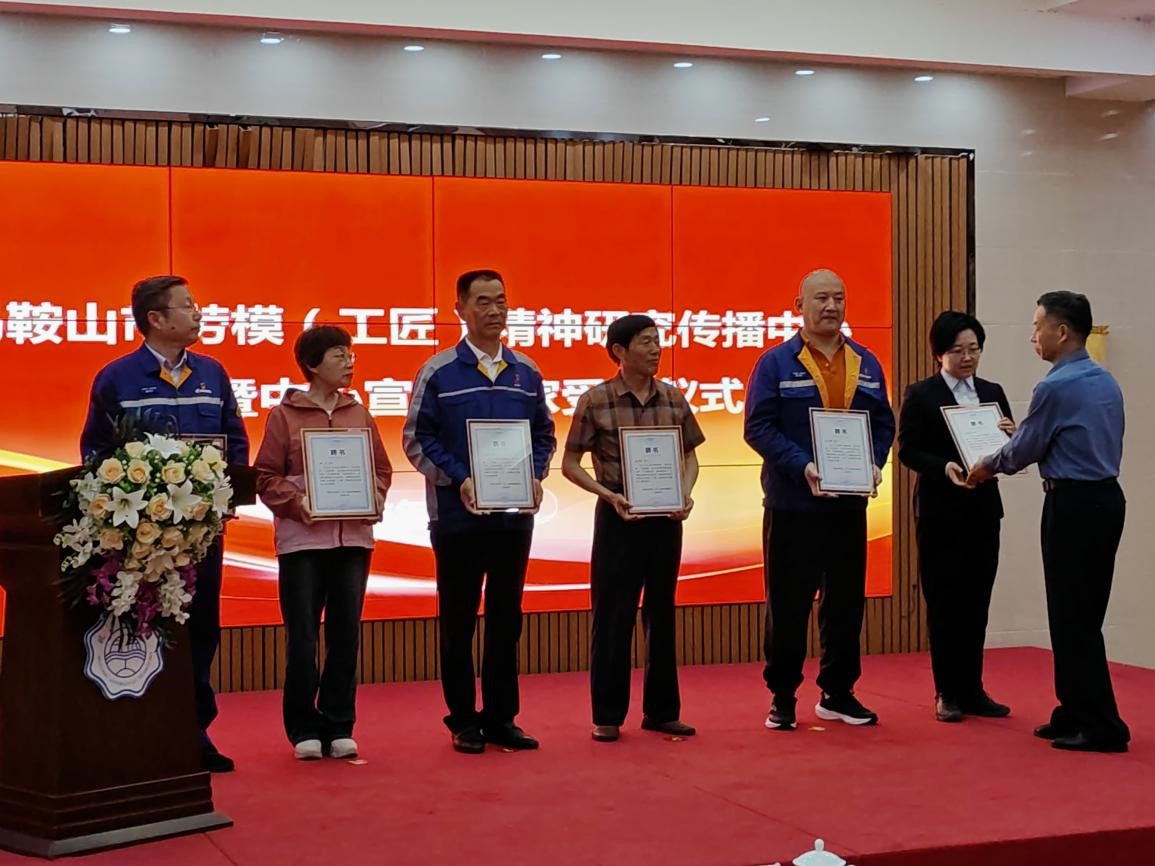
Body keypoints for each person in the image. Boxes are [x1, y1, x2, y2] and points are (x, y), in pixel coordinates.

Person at [80, 274, 250, 773]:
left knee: (202, 629)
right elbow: (96, 452)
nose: (198, 313)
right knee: (144, 628)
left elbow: (235, 441)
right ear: (155, 318)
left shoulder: (212, 373)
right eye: (188, 305)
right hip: (142, 540)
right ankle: (139, 731)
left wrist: (226, 495)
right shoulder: (117, 377)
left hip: (201, 533)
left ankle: (194, 732)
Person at [967, 291, 1129, 753]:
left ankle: (1101, 724)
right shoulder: (1104, 380)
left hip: (1073, 503)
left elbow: (1024, 451)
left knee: (1072, 614)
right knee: (1082, 612)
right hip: (1104, 500)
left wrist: (985, 467)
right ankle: (1074, 710)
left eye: (1037, 326)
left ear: (1062, 331)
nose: (1032, 336)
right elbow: (1059, 438)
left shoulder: (1054, 387)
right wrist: (1021, 438)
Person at [402, 269, 556, 755]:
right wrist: (460, 479)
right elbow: (416, 439)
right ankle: (463, 719)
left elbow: (544, 434)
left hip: (513, 515)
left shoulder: (525, 371)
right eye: (483, 302)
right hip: (457, 518)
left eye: (501, 301)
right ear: (460, 310)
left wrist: (535, 474)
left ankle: (502, 717)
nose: (495, 311)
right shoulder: (438, 371)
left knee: (507, 618)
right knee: (459, 620)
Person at [744, 268, 895, 731]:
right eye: (821, 298)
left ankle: (838, 692)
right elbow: (758, 427)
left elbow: (883, 424)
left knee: (846, 604)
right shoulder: (775, 363)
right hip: (794, 503)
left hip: (848, 504)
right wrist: (803, 466)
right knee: (788, 603)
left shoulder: (866, 362)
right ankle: (783, 695)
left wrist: (873, 462)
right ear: (799, 306)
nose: (831, 307)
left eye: (839, 298)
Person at [561, 315, 704, 743]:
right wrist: (607, 495)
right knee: (612, 616)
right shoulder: (595, 400)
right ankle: (607, 714)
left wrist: (685, 491)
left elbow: (691, 455)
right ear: (619, 351)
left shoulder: (673, 397)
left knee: (662, 613)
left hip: (665, 518)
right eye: (646, 342)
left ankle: (662, 712)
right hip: (618, 516)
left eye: (658, 341)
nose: (656, 349)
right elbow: (570, 464)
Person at [253, 326, 391, 761]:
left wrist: (375, 497)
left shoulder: (359, 413)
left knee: (346, 634)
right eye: (338, 355)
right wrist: (298, 503)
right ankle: (303, 727)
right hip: (302, 542)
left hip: (353, 539)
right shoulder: (284, 416)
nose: (349, 362)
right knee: (303, 637)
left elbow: (381, 470)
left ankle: (339, 723)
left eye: (350, 354)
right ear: (312, 364)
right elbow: (265, 477)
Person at [897, 311, 1015, 723]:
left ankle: (973, 689)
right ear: (939, 354)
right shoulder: (922, 394)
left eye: (974, 349)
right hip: (941, 509)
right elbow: (907, 449)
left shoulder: (992, 391)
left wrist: (1012, 436)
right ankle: (946, 691)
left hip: (983, 509)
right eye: (958, 350)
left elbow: (1006, 449)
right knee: (944, 600)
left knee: (977, 599)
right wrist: (944, 466)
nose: (967, 358)